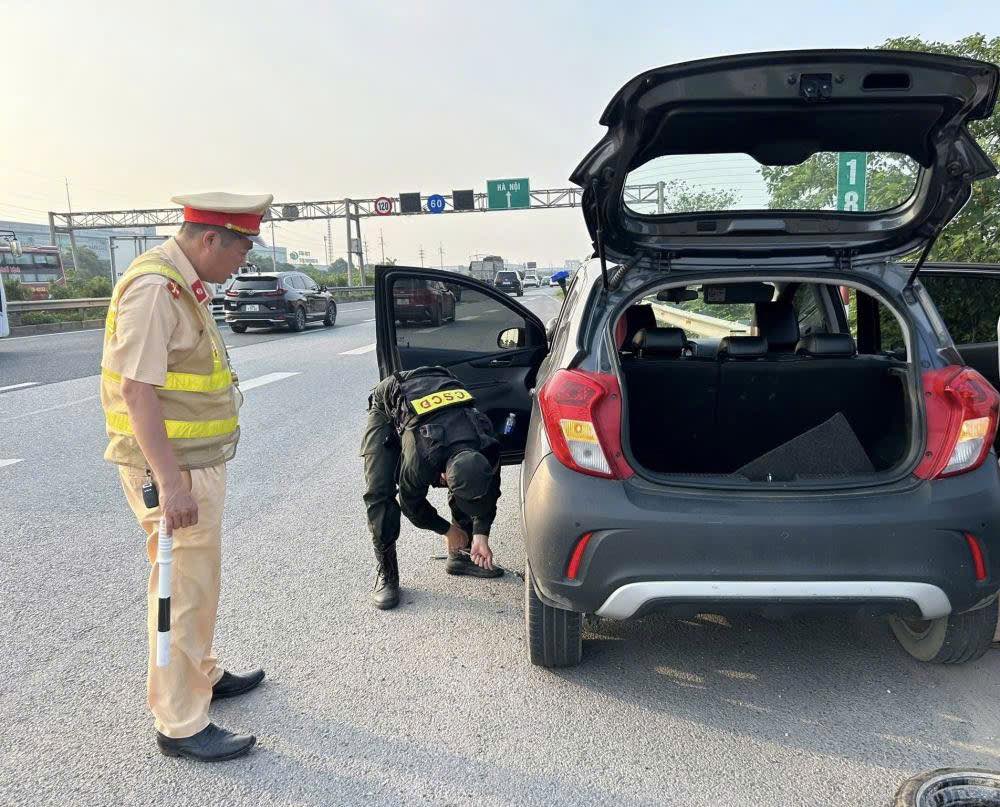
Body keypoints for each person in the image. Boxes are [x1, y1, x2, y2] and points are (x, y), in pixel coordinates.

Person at [101, 192, 272, 762]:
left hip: (192, 464)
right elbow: (136, 391)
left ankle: (201, 673)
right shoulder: (156, 289)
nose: (242, 262)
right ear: (210, 239)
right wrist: (171, 484)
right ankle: (179, 721)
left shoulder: (183, 282)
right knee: (179, 591)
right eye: (241, 250)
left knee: (199, 584)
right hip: (174, 470)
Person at [362, 366, 504, 609]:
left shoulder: (486, 445)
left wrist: (482, 533)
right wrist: (447, 530)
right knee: (379, 491)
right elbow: (411, 505)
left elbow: (489, 490)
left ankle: (461, 555)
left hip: (442, 384)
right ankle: (388, 574)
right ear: (443, 477)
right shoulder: (421, 458)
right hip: (390, 400)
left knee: (468, 484)